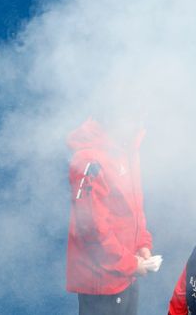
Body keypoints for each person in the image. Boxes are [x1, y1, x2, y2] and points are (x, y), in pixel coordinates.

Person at [66, 117, 156, 315]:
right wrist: (130, 264)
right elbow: (90, 228)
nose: (139, 125)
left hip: (127, 272)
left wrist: (142, 243)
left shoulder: (127, 148)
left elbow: (133, 206)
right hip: (102, 281)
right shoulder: (90, 160)